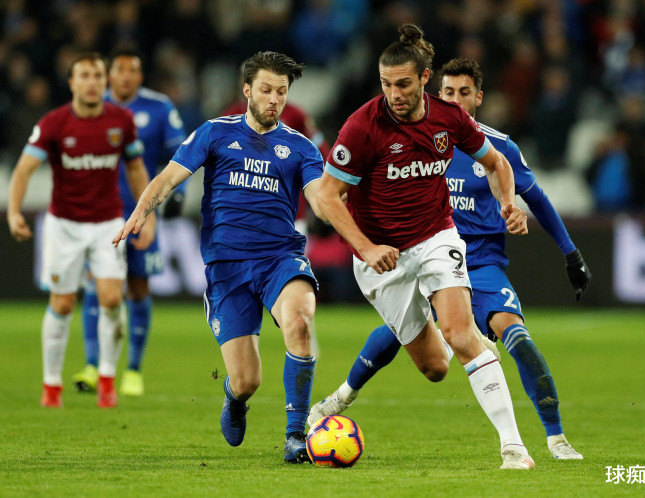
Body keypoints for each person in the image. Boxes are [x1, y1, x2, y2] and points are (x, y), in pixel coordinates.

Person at [310, 57, 592, 460]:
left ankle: (541, 441)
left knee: (502, 335)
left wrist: (561, 246)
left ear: (477, 97)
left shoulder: (480, 136)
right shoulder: (368, 125)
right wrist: (365, 243)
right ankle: (344, 394)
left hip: (461, 253)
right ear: (437, 89)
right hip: (392, 254)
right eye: (449, 92)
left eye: (464, 92)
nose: (456, 99)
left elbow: (527, 190)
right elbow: (329, 194)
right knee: (432, 365)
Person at [112, 51, 326, 464]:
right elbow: (168, 178)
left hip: (280, 258)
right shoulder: (215, 133)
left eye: (281, 92)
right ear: (247, 90)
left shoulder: (300, 147)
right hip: (227, 268)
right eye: (266, 90)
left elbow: (320, 200)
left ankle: (295, 435)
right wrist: (141, 213)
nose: (274, 99)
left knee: (300, 323)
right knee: (247, 380)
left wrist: (345, 214)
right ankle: (234, 398)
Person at [6, 52, 154, 409]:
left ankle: (107, 380)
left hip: (108, 223)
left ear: (105, 82)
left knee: (111, 299)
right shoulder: (54, 123)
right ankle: (51, 385)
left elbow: (136, 169)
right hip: (64, 225)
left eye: (97, 76)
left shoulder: (121, 121)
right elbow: (23, 169)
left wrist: (146, 216)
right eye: (84, 75)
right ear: (72, 83)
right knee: (62, 302)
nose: (91, 82)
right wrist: (13, 212)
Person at [72, 49, 187, 397]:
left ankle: (133, 370)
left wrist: (177, 195)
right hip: (100, 213)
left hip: (141, 213)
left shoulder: (160, 107)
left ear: (140, 76)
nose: (124, 76)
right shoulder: (92, 107)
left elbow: (180, 153)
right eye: (119, 70)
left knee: (138, 287)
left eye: (131, 70)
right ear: (110, 75)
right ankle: (92, 365)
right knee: (96, 285)